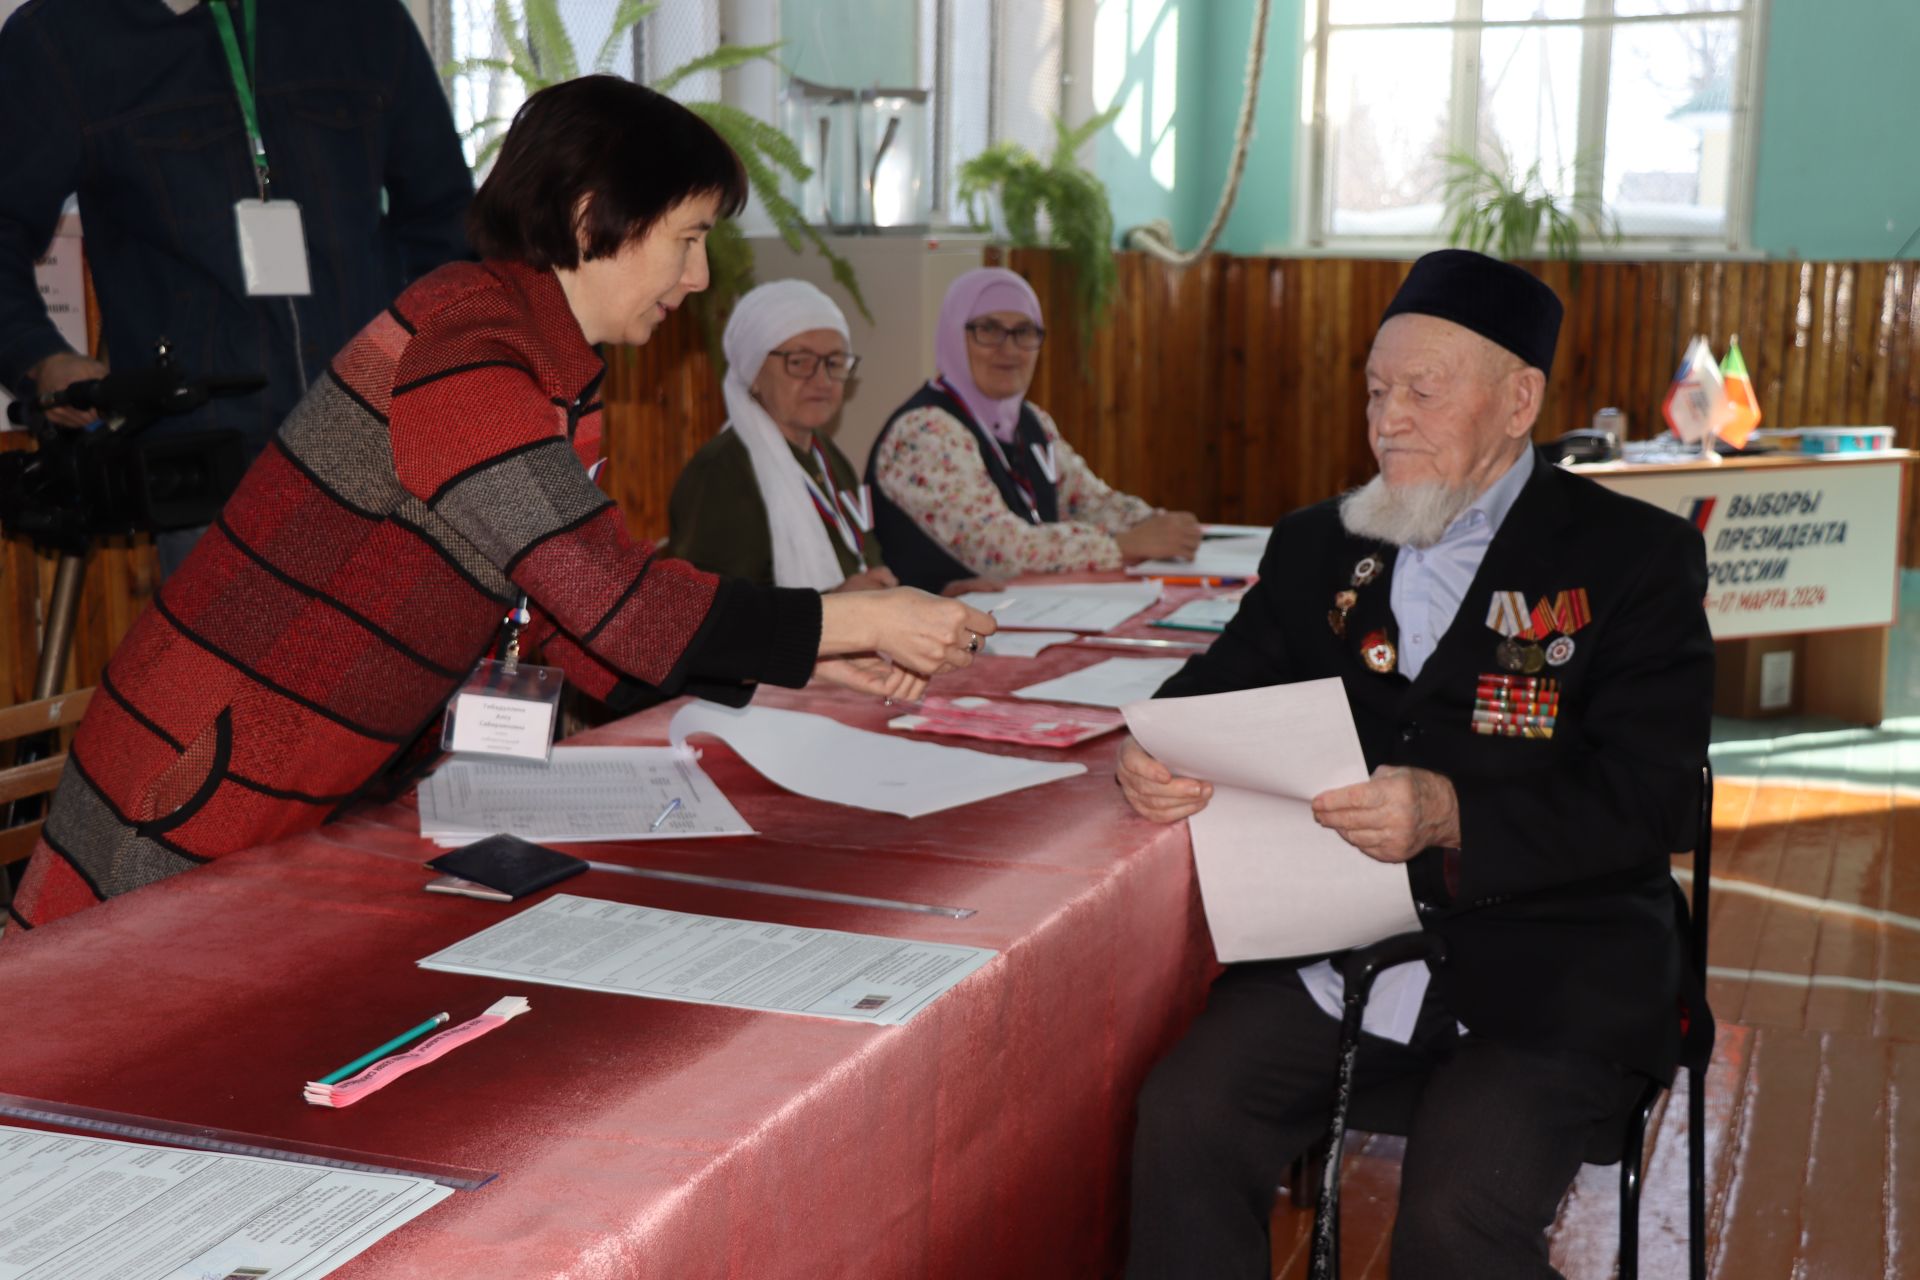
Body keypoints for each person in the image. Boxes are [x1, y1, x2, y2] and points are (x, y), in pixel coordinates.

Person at [6, 76, 994, 934]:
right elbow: (621, 601)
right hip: (189, 777)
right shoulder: (467, 350)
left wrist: (809, 661)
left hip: (299, 781)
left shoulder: (555, 371)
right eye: (688, 239)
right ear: (589, 215)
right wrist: (853, 616)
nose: (697, 279)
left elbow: (572, 625)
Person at [1117, 250, 1714, 1279]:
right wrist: (1157, 748)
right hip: (1347, 945)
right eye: (1375, 390)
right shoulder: (1318, 544)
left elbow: (1656, 794)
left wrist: (1452, 811)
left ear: (1518, 399)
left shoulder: (1630, 558)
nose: (1387, 418)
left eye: (1422, 391)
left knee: (1453, 1214)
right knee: (1185, 1117)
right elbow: (1219, 683)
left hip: (1553, 969)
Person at [0, 0, 474, 574]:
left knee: (407, 664)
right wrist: (40, 356)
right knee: (238, 666)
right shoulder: (64, 39)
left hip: (385, 457)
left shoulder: (364, 19)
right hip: (208, 478)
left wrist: (431, 369)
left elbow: (448, 221)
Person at [866, 267, 1204, 592]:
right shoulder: (924, 431)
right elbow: (1001, 550)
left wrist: (1157, 525)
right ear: (955, 334)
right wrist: (1120, 546)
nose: (1009, 349)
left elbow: (1088, 501)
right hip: (930, 635)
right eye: (989, 329)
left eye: (1024, 331)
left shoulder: (1030, 422)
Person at [665, 279, 895, 591]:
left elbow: (863, 554)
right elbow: (708, 610)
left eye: (834, 362)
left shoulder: (825, 454)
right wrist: (835, 606)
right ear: (754, 372)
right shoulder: (722, 471)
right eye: (799, 362)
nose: (823, 380)